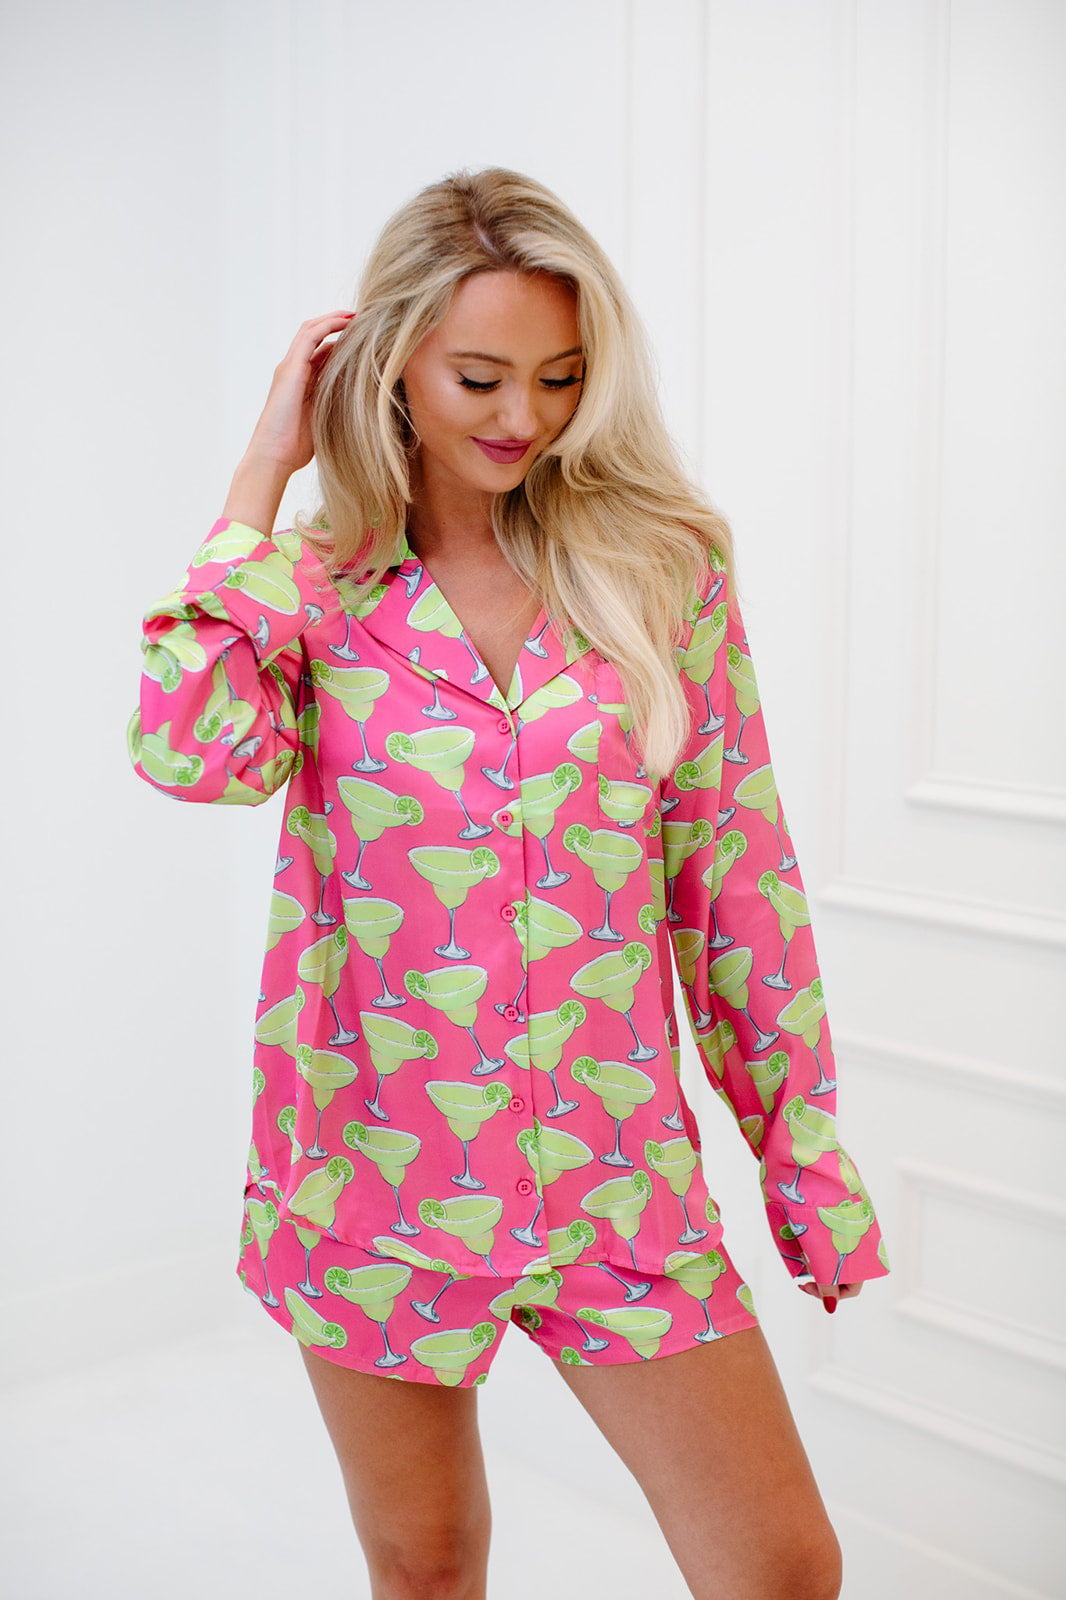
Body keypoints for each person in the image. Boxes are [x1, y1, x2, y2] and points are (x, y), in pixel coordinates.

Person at [130, 167, 888, 1600]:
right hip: (367, 1184)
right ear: (390, 365)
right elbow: (190, 754)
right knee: (424, 1566)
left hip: (617, 1182)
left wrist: (802, 1161)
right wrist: (257, 480)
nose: (522, 417)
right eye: (479, 377)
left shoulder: (664, 567)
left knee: (782, 1568)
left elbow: (736, 884)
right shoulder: (306, 587)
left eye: (559, 376)